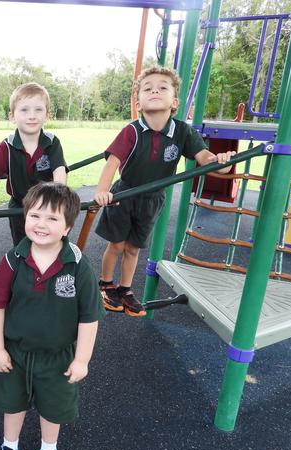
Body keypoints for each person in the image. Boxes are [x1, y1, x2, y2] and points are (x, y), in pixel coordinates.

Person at [0, 182, 105, 450]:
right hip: (16, 354)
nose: (41, 224)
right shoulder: (12, 260)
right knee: (13, 404)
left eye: (52, 219)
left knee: (53, 408)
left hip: (58, 358)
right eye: (35, 216)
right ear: (25, 218)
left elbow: (89, 317)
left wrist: (82, 360)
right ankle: (9, 447)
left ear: (67, 227)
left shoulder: (78, 266)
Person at [94, 66, 234, 317]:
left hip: (153, 198)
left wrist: (222, 161)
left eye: (162, 87)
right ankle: (106, 283)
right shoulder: (132, 131)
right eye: (148, 89)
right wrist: (103, 191)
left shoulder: (182, 132)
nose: (155, 91)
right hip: (123, 195)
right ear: (139, 103)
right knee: (117, 245)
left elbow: (206, 158)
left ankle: (125, 289)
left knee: (134, 248)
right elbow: (112, 163)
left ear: (174, 102)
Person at [0, 82, 67, 245]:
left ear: (47, 115)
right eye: (24, 110)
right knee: (23, 246)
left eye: (38, 109)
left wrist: (59, 201)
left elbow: (59, 172)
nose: (32, 115)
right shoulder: (6, 146)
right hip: (19, 206)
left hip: (48, 205)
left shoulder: (52, 142)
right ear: (12, 116)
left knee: (52, 244)